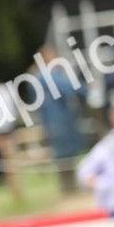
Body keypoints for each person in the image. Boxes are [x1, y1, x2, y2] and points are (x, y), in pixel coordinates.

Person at [34, 46, 87, 194]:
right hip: (60, 120)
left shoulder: (36, 77)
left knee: (62, 155)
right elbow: (70, 89)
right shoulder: (49, 75)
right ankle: (70, 189)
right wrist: (85, 89)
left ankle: (67, 188)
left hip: (50, 121)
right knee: (66, 154)